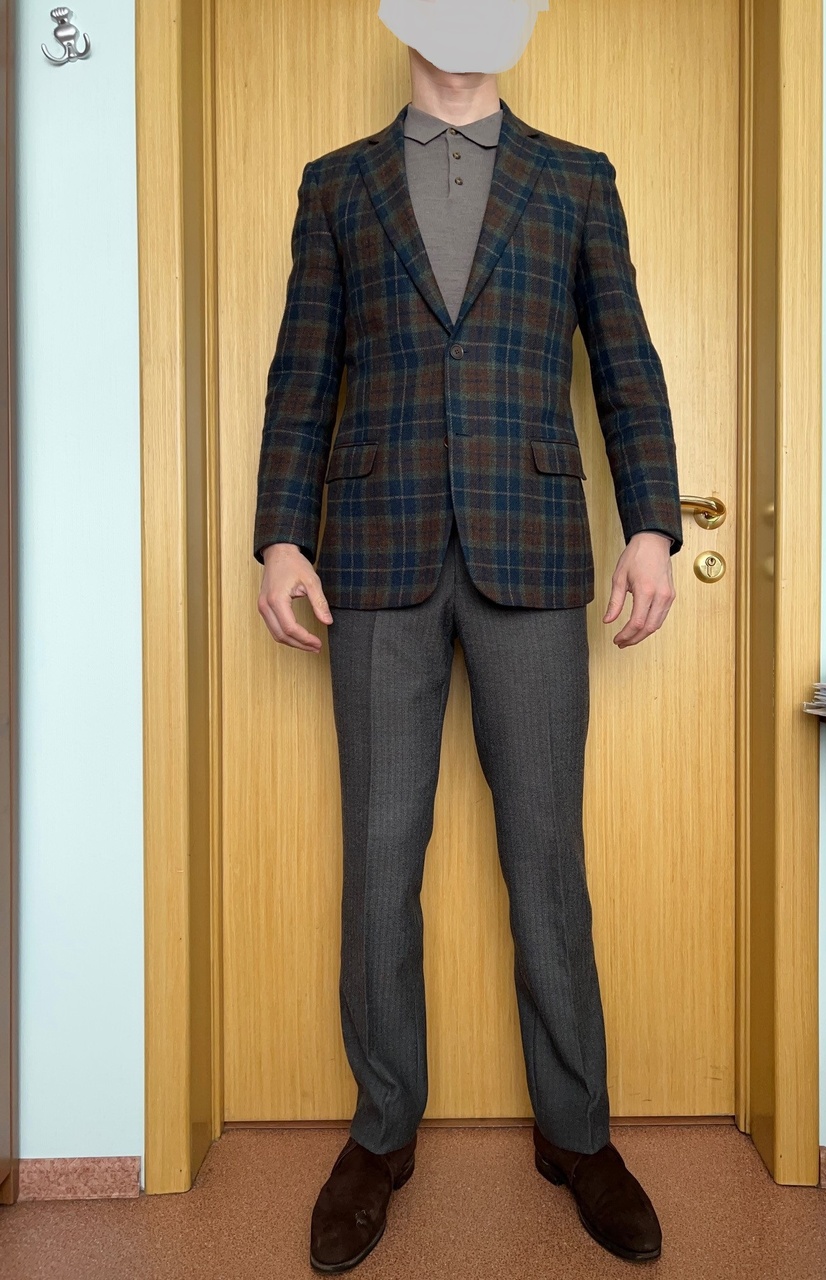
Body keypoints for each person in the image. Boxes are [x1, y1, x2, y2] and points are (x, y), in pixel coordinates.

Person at [252, 1, 683, 1270]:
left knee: (546, 857)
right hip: (372, 557)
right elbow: (302, 373)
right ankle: (381, 1133)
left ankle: (578, 1133)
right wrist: (281, 536)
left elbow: (626, 364)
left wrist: (650, 525)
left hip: (532, 551)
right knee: (379, 860)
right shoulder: (336, 186)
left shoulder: (576, 180)